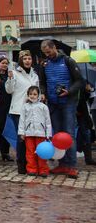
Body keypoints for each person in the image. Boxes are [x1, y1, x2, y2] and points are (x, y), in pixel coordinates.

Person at [39, 40, 83, 179]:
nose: (48, 55)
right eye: (45, 53)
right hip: (53, 104)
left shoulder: (69, 61)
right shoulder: (45, 64)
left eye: (49, 52)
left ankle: (72, 166)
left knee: (69, 134)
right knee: (57, 135)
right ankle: (62, 164)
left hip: (68, 103)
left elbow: (80, 81)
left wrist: (69, 91)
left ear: (54, 48)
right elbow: (42, 82)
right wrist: (44, 92)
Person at [5, 50, 39, 174]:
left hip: (32, 110)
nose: (27, 61)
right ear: (21, 60)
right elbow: (9, 90)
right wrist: (9, 79)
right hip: (18, 110)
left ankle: (30, 163)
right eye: (25, 59)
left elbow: (37, 92)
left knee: (30, 138)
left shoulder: (35, 75)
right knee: (21, 138)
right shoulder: (14, 73)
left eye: (29, 59)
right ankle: (21, 163)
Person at [18, 86, 52, 177]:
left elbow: (48, 121)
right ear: (28, 95)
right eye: (31, 94)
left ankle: (43, 170)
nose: (32, 96)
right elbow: (22, 120)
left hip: (41, 134)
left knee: (41, 153)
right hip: (29, 133)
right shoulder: (25, 107)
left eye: (35, 94)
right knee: (30, 152)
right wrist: (22, 132)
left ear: (38, 95)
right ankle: (31, 169)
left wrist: (48, 134)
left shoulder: (43, 107)